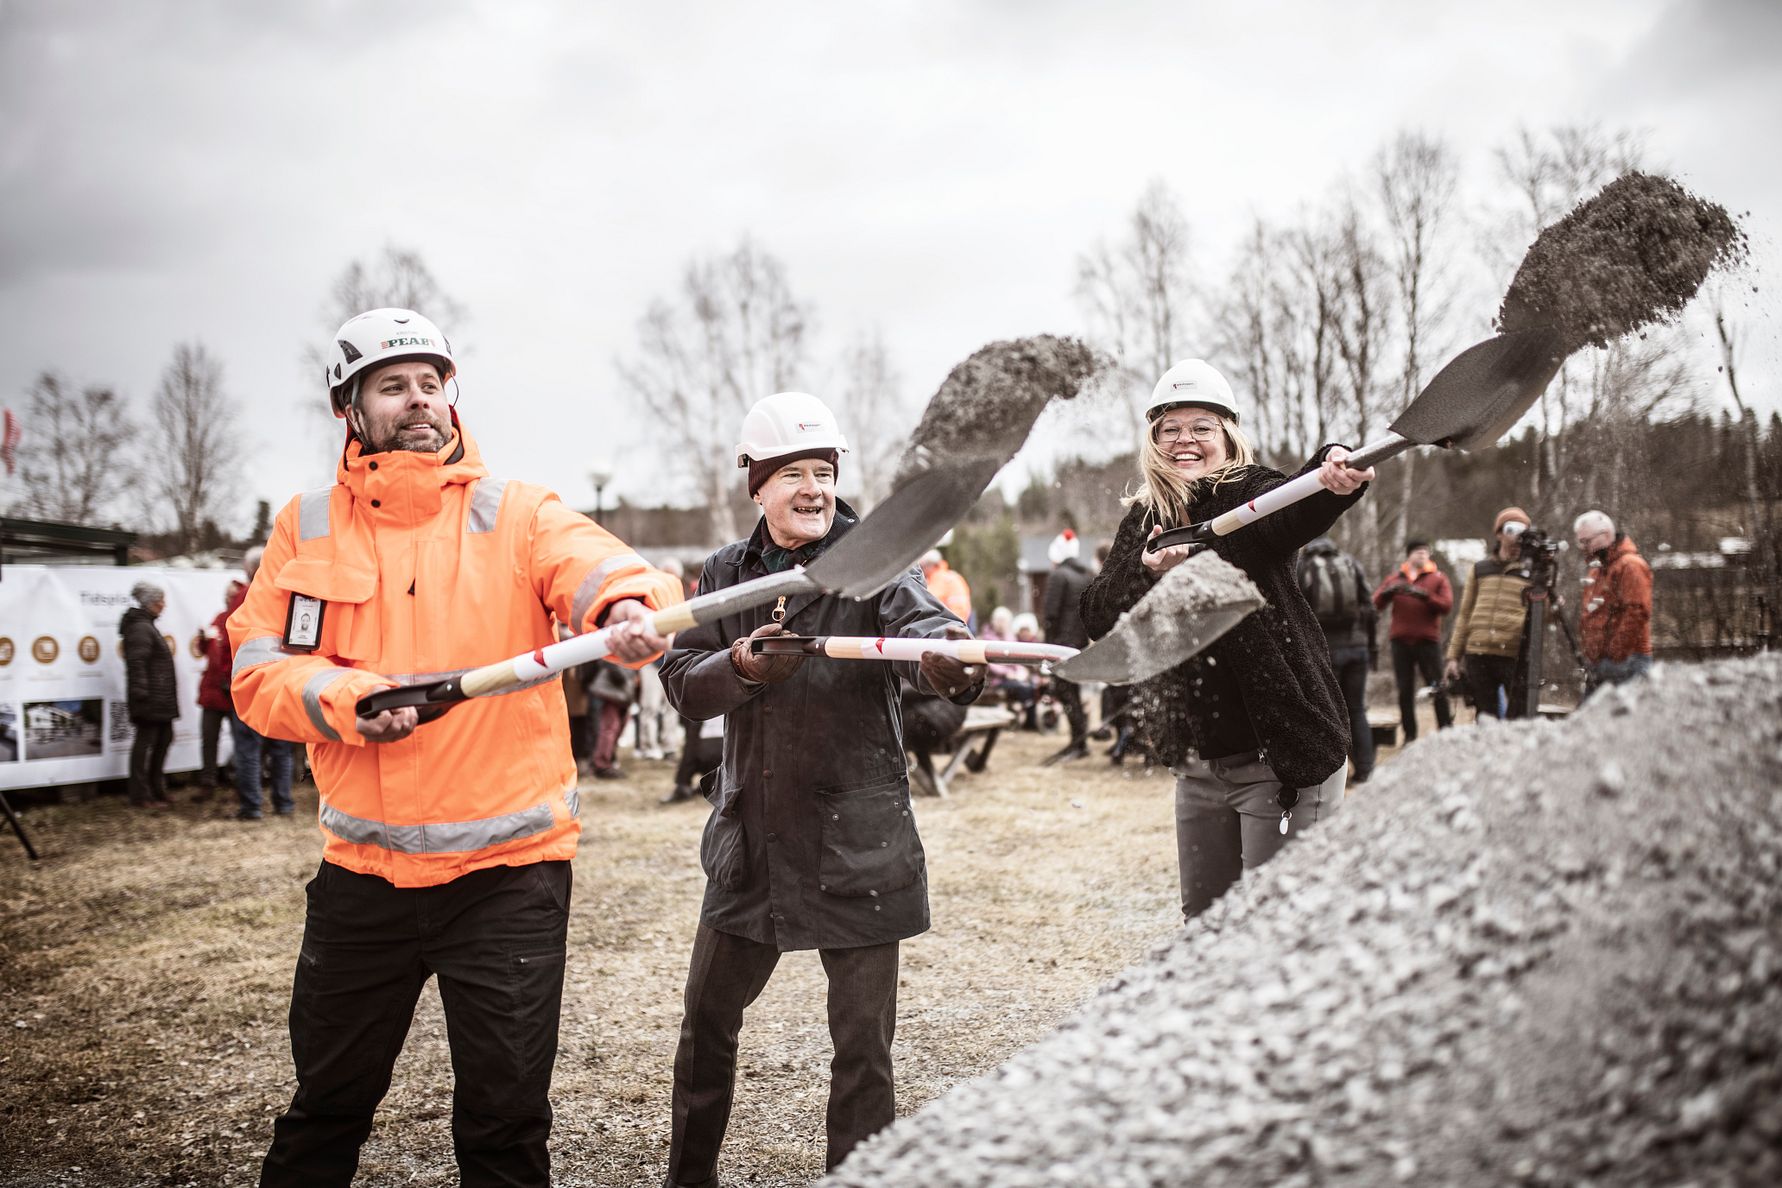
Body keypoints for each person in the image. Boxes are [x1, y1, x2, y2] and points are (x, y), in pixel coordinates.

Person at [229, 307, 682, 1187]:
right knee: (324, 1111)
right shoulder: (305, 526)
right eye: (394, 387)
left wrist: (627, 607)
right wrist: (347, 700)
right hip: (361, 878)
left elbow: (601, 566)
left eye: (431, 384)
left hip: (509, 881)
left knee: (504, 1126)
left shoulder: (515, 512)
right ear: (350, 408)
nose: (418, 402)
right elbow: (261, 673)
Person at [658, 389, 981, 1186]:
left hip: (859, 846)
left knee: (863, 1049)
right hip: (753, 842)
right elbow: (680, 680)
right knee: (704, 1028)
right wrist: (740, 667)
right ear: (757, 485)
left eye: (824, 471)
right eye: (793, 473)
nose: (813, 488)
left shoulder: (875, 559)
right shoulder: (726, 573)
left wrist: (946, 654)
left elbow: (927, 629)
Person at [1080, 358, 1372, 921]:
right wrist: (1148, 573)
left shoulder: (1248, 492)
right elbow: (1098, 611)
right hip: (1201, 763)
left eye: (1201, 428)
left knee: (1277, 934)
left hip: (1283, 757)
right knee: (1206, 931)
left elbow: (1294, 506)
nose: (1185, 441)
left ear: (1227, 434)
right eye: (1171, 429)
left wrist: (1332, 475)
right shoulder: (1146, 517)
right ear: (1153, 440)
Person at [1296, 536, 1377, 783]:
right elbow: (1370, 609)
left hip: (1326, 650)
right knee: (1356, 709)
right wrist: (1372, 647)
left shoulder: (1304, 566)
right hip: (1358, 647)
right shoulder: (1350, 563)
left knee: (1328, 710)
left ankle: (1333, 773)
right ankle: (1365, 769)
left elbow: (1298, 609)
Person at [1445, 507, 1534, 720]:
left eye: (1522, 531)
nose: (1516, 537)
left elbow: (1544, 617)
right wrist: (1453, 657)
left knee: (1517, 717)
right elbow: (1464, 613)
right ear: (1499, 533)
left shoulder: (1532, 572)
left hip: (1513, 654)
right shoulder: (1480, 569)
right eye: (1511, 530)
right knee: (1485, 715)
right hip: (1478, 651)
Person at [230, 547, 297, 821]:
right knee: (281, 750)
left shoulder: (246, 598)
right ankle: (284, 803)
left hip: (254, 682)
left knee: (249, 749)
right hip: (284, 680)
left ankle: (252, 806)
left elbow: (232, 644)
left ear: (249, 570)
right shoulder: (290, 592)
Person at [1372, 539, 1455, 743]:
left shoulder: (1438, 578)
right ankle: (1410, 736)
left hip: (1428, 641)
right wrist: (1386, 592)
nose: (1423, 555)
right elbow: (1375, 604)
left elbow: (1446, 606)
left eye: (1426, 552)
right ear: (1408, 555)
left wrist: (1425, 595)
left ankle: (1446, 731)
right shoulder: (1395, 578)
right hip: (1400, 642)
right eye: (1418, 552)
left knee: (1437, 687)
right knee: (1404, 690)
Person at [1573, 509, 1654, 694]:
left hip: (1627, 661)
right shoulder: (1597, 571)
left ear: (1606, 535)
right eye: (1581, 542)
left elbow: (1637, 612)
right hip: (1604, 663)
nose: (1583, 547)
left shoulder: (1630, 565)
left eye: (1587, 541)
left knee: (1623, 719)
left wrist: (1615, 654)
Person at [120, 580, 178, 810]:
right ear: (149, 603)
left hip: (159, 699)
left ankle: (156, 789)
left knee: (163, 741)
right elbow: (137, 662)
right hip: (150, 699)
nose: (163, 605)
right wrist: (141, 693)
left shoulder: (146, 625)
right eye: (159, 601)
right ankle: (140, 794)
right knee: (145, 746)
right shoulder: (141, 628)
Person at [1042, 529, 1092, 759]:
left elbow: (1051, 614)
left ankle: (1078, 742)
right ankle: (1079, 739)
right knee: (1073, 691)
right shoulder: (1086, 575)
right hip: (1078, 642)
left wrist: (1046, 646)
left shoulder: (1059, 575)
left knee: (1066, 692)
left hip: (1060, 643)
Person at [194, 578, 245, 802]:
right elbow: (206, 651)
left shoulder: (244, 621)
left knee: (242, 742)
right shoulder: (218, 618)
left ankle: (240, 785)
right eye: (226, 594)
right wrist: (202, 641)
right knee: (209, 739)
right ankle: (207, 783)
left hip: (234, 694)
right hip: (213, 693)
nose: (228, 598)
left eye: (232, 594)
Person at [918, 548, 974, 627]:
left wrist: (954, 628)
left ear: (933, 565)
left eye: (923, 566)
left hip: (946, 630)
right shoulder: (929, 581)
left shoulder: (950, 580)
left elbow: (959, 609)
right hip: (937, 629)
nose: (921, 570)